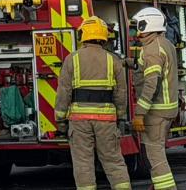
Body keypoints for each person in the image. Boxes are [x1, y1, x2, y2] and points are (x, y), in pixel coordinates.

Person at [54, 16, 131, 190]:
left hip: (79, 121)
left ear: (83, 35)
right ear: (104, 36)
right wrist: (120, 116)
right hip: (106, 121)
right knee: (113, 160)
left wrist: (60, 119)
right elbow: (121, 93)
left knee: (83, 162)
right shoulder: (114, 60)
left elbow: (64, 91)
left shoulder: (71, 59)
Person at [131, 7, 180, 190]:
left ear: (147, 24)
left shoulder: (152, 49)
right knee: (158, 151)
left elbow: (151, 84)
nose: (137, 32)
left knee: (155, 155)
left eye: (139, 26)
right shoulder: (165, 43)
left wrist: (139, 114)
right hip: (167, 109)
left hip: (156, 111)